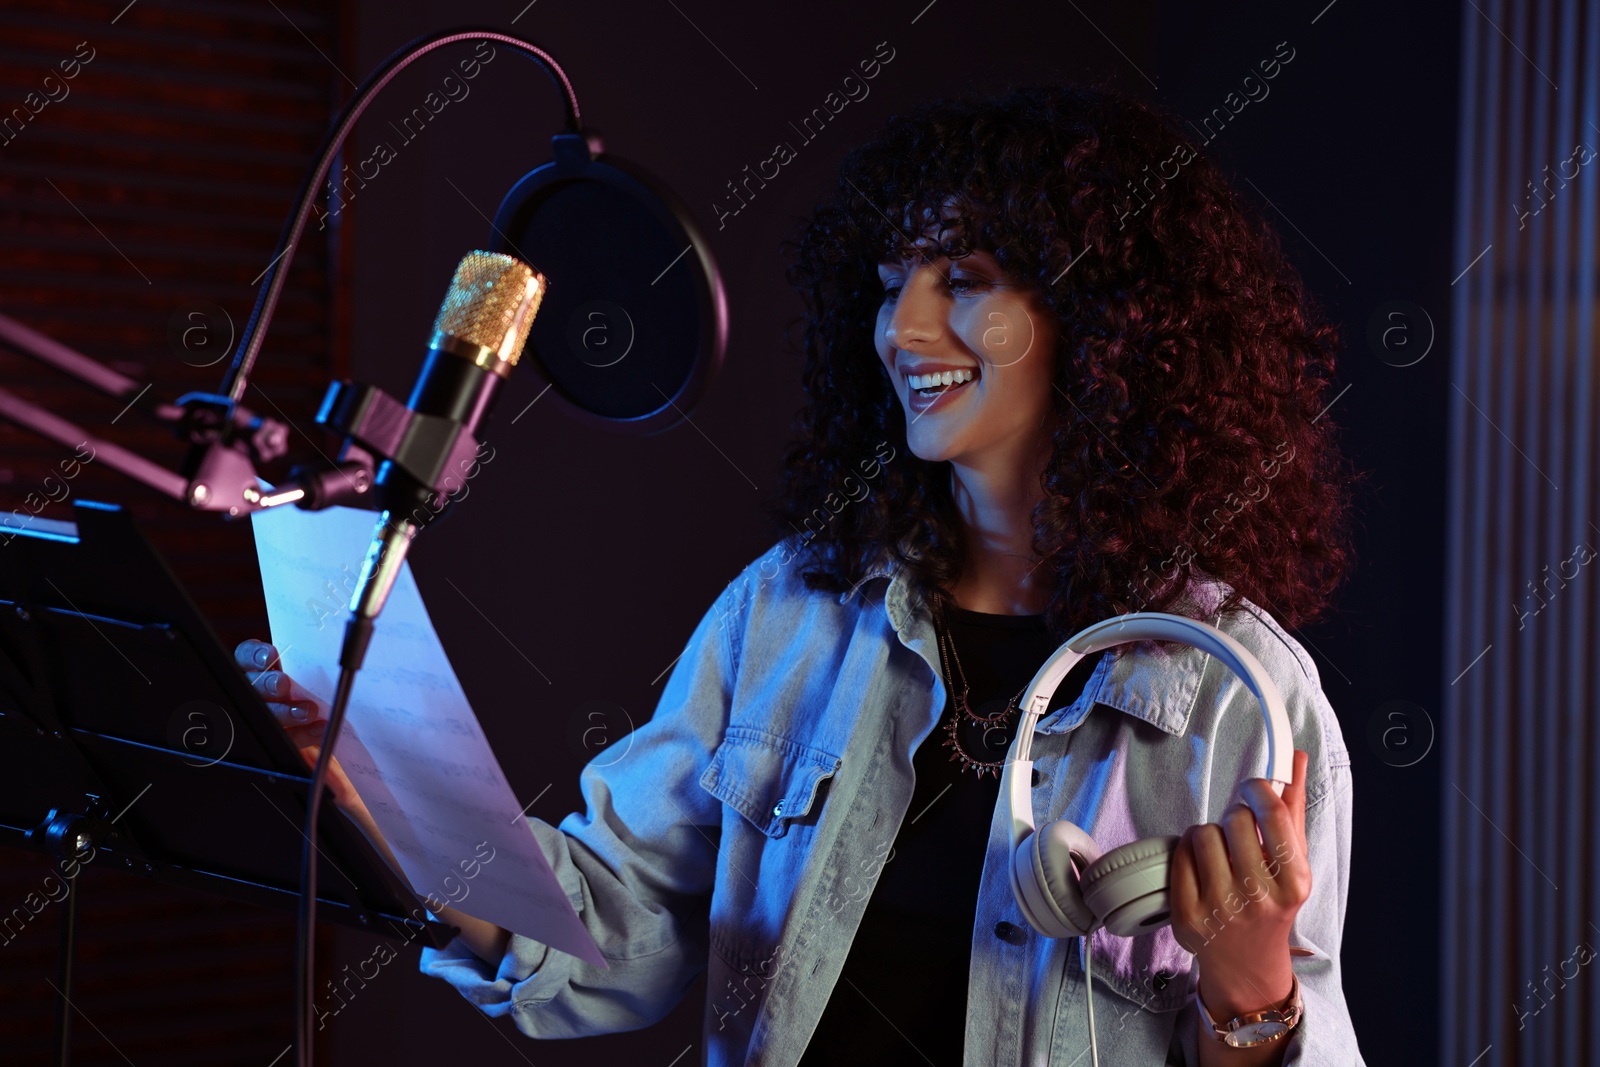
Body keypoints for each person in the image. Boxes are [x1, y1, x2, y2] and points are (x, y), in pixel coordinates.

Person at [237, 83, 1366, 1065]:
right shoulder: (785, 613)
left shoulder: (1242, 696)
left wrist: (1253, 994)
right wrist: (384, 811)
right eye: (889, 283)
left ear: (1103, 319)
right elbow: (604, 933)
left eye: (963, 276)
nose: (903, 328)